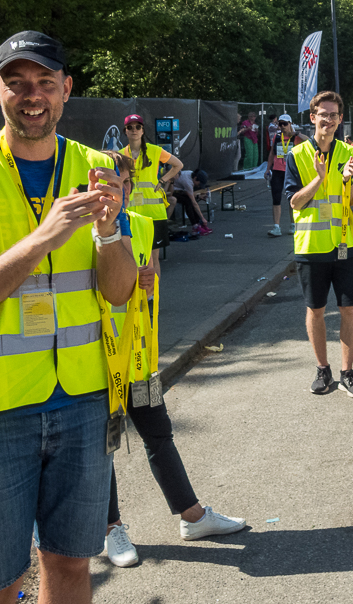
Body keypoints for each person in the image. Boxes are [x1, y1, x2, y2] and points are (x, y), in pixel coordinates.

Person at [0, 30, 137, 602]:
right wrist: (43, 237)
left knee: (69, 568)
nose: (31, 95)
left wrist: (110, 232)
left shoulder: (95, 167)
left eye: (44, 82)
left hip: (82, 403)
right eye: (16, 84)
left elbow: (119, 293)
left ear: (67, 90)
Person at [100, 152, 245, 568]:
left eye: (126, 183)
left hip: (139, 356)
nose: (122, 191)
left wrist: (144, 286)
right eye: (115, 183)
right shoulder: (84, 229)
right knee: (104, 446)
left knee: (159, 435)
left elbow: (146, 290)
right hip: (98, 357)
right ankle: (111, 529)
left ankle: (192, 516)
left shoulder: (142, 225)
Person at [284, 90, 353, 398]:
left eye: (334, 115)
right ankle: (323, 369)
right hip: (311, 246)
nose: (328, 120)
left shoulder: (349, 154)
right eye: (324, 114)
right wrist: (318, 180)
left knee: (350, 310)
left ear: (340, 119)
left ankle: (347, 372)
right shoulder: (296, 155)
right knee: (315, 310)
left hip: (345, 245)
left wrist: (348, 181)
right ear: (313, 117)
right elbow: (293, 202)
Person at [120, 113, 185, 263]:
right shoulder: (120, 155)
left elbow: (178, 165)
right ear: (126, 131)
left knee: (153, 260)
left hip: (153, 214)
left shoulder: (155, 150)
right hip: (131, 214)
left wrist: (162, 180)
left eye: (138, 127)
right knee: (133, 259)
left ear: (143, 131)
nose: (134, 130)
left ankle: (153, 287)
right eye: (130, 127)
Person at [265, 114, 305, 237]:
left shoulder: (296, 137)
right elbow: (272, 153)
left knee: (292, 199)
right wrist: (267, 169)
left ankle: (293, 224)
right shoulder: (277, 137)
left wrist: (296, 134)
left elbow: (310, 140)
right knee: (276, 197)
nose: (282, 126)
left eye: (285, 124)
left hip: (292, 171)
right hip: (277, 170)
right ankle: (276, 227)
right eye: (280, 124)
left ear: (290, 124)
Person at [172, 169, 211, 234]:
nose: (198, 186)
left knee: (191, 200)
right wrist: (202, 217)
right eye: (199, 183)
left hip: (181, 191)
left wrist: (198, 196)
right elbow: (194, 203)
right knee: (188, 202)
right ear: (195, 178)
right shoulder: (188, 182)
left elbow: (189, 194)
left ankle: (198, 223)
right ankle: (195, 225)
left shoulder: (190, 174)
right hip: (173, 191)